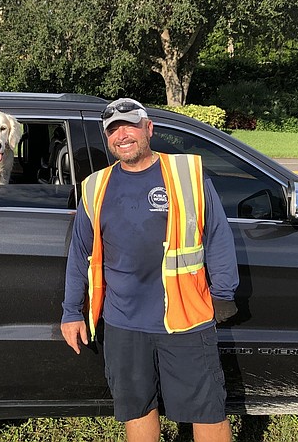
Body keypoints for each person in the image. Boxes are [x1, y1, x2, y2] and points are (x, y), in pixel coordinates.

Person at [61, 97, 239, 442]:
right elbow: (80, 252)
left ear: (149, 129)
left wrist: (223, 293)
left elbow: (217, 234)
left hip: (187, 317)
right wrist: (71, 311)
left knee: (208, 412)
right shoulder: (95, 187)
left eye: (130, 125)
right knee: (138, 410)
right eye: (113, 129)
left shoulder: (187, 174)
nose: (122, 134)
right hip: (123, 323)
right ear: (107, 138)